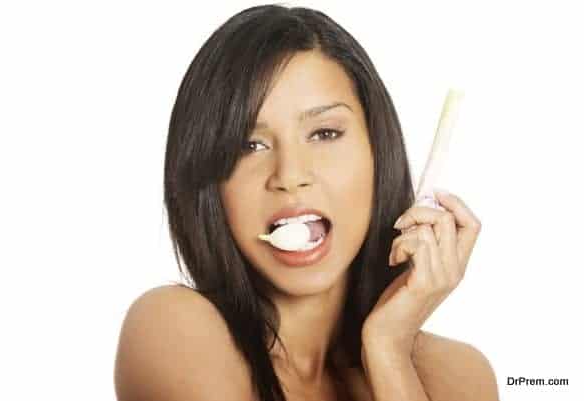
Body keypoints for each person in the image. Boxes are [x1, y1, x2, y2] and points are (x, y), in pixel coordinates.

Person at [114, 4, 499, 401]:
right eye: (250, 145)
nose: (290, 175)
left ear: (376, 151)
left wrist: (389, 350)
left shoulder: (461, 377)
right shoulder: (172, 329)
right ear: (210, 182)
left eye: (325, 133)